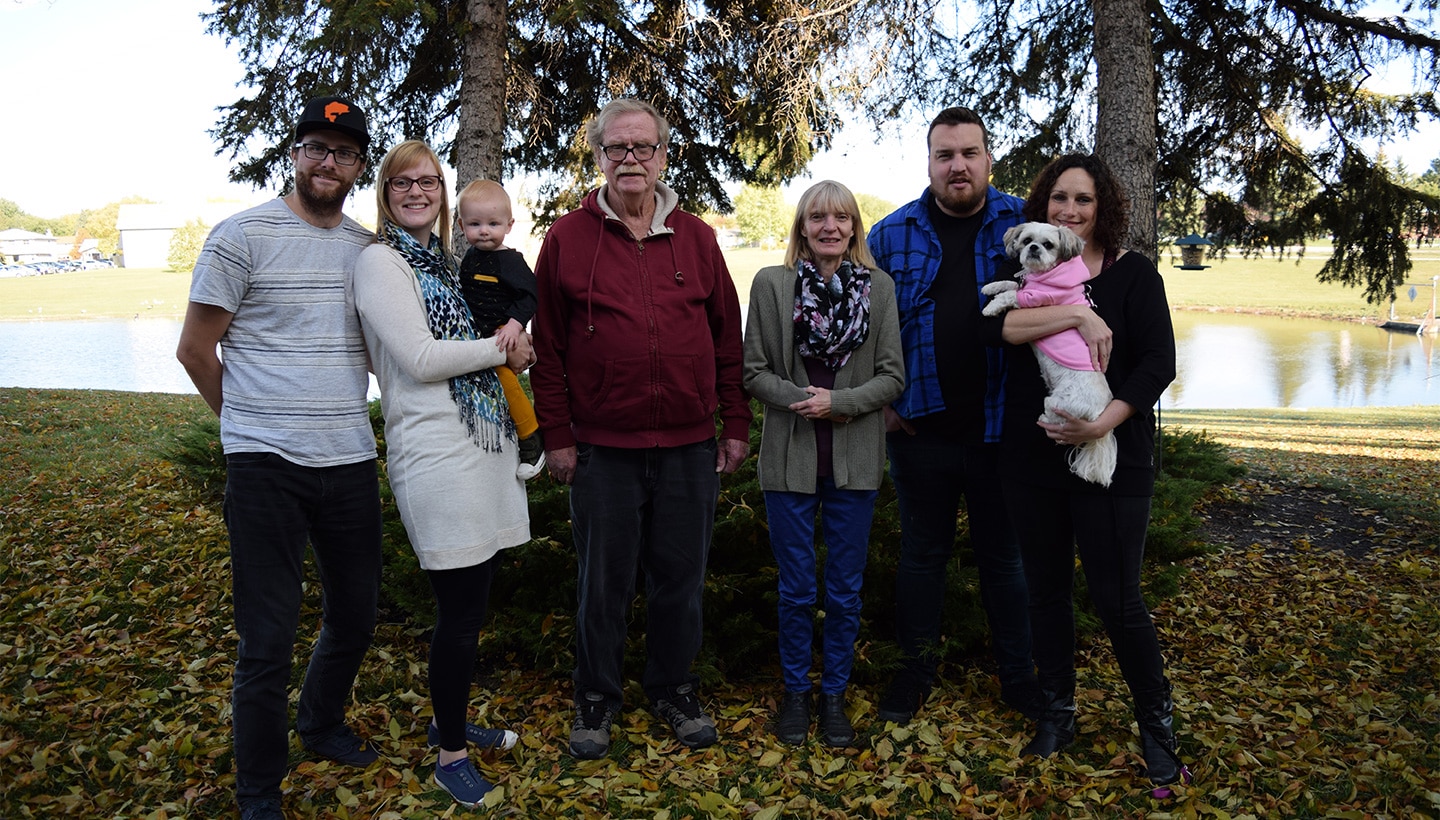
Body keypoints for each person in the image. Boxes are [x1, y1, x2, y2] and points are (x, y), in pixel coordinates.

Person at [175, 95, 383, 820]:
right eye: (316, 148)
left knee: (356, 615)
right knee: (266, 640)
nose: (329, 162)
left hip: (349, 458)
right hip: (266, 466)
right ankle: (259, 789)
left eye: (344, 153)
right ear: (294, 155)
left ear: (358, 167)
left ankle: (320, 723)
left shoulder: (368, 252)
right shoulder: (240, 237)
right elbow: (195, 350)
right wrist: (246, 426)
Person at [530, 98, 752, 760]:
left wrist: (735, 422)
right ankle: (596, 696)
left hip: (689, 445)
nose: (631, 158)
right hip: (603, 450)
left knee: (680, 581)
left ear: (662, 155)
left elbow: (727, 339)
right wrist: (557, 435)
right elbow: (549, 348)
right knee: (603, 584)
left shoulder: (698, 238)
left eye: (643, 147)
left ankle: (674, 689)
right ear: (599, 157)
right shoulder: (566, 239)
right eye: (617, 148)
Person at [980, 153, 1188, 793]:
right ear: (1043, 205)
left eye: (1083, 200)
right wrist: (1077, 314)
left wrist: (1104, 424)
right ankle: (1058, 712)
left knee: (1118, 599)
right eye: (1059, 198)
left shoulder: (1134, 275)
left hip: (1114, 454)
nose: (1069, 209)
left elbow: (1158, 363)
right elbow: (1002, 329)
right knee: (1045, 592)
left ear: (1103, 209)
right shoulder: (1026, 270)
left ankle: (1156, 727)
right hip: (1033, 456)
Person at [351, 140, 533, 807]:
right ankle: (450, 755)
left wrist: (516, 342)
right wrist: (504, 349)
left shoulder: (448, 263)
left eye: (428, 181)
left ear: (443, 193)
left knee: (471, 607)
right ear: (385, 192)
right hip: (435, 454)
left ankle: (447, 720)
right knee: (458, 613)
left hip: (480, 445)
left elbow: (490, 334)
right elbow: (423, 359)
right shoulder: (381, 262)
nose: (418, 191)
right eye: (403, 182)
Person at [866, 106, 1040, 724]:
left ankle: (1019, 679)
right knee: (922, 557)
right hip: (921, 433)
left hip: (1003, 431)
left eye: (969, 153)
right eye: (945, 155)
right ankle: (913, 674)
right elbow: (862, 331)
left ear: (989, 159)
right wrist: (883, 406)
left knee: (1005, 561)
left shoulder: (1024, 223)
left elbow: (1069, 292)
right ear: (930, 163)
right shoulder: (889, 236)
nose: (957, 166)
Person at [742, 180, 904, 747]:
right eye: (817, 217)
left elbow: (892, 376)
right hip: (788, 461)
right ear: (802, 227)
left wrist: (841, 402)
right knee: (795, 589)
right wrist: (803, 401)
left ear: (855, 226)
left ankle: (833, 695)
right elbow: (753, 370)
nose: (829, 226)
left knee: (844, 591)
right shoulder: (772, 284)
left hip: (855, 462)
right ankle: (795, 693)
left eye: (840, 217)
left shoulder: (879, 289)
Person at [456, 179, 545, 480]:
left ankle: (531, 435)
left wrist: (514, 326)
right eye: (475, 224)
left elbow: (530, 296)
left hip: (501, 332)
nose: (484, 231)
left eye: (493, 224)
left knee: (505, 380)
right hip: (475, 336)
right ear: (461, 225)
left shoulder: (510, 261)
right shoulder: (470, 257)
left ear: (509, 225)